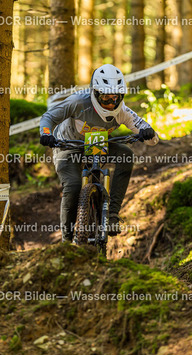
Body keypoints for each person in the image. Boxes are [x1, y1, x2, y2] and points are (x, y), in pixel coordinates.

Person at [39, 64, 159, 242]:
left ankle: (112, 215)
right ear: (95, 94)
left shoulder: (122, 112)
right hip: (67, 145)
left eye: (115, 98)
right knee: (73, 185)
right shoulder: (78, 102)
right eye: (105, 98)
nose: (111, 104)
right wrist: (46, 134)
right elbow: (48, 117)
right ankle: (66, 241)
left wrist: (148, 132)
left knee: (126, 154)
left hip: (97, 144)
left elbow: (152, 139)